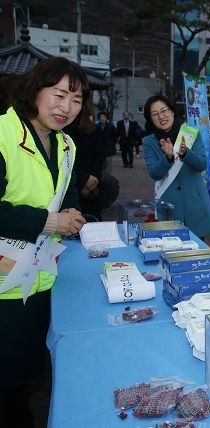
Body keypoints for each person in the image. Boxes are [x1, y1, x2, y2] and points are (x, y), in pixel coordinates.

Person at [0, 57, 89, 427]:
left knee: (27, 373)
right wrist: (52, 221)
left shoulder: (65, 145)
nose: (66, 107)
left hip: (40, 276)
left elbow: (62, 195)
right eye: (59, 94)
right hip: (4, 284)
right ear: (35, 90)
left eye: (77, 99)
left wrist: (76, 215)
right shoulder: (4, 132)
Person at [142, 94, 210, 239]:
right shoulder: (148, 142)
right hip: (168, 207)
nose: (161, 116)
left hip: (194, 205)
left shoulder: (190, 134)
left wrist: (185, 154)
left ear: (172, 111)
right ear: (151, 119)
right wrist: (168, 157)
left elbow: (201, 164)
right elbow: (154, 173)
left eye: (164, 111)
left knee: (197, 254)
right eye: (155, 114)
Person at [66, 116, 105, 221]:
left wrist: (92, 181)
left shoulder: (90, 127)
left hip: (91, 190)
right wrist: (83, 179)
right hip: (68, 190)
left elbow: (98, 155)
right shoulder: (56, 127)